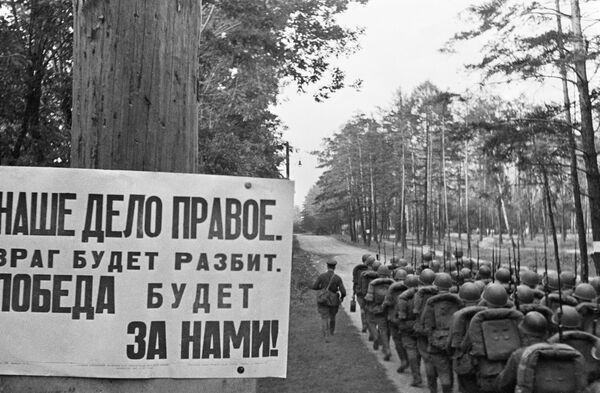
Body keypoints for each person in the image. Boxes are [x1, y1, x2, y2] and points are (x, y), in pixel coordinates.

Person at [312, 259, 346, 342]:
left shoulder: (322, 276)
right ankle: (332, 332)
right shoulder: (337, 278)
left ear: (327, 266)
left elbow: (314, 286)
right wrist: (342, 298)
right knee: (332, 316)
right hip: (334, 300)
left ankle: (326, 335)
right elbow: (343, 291)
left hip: (323, 299)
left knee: (324, 317)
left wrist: (322, 289)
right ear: (334, 267)